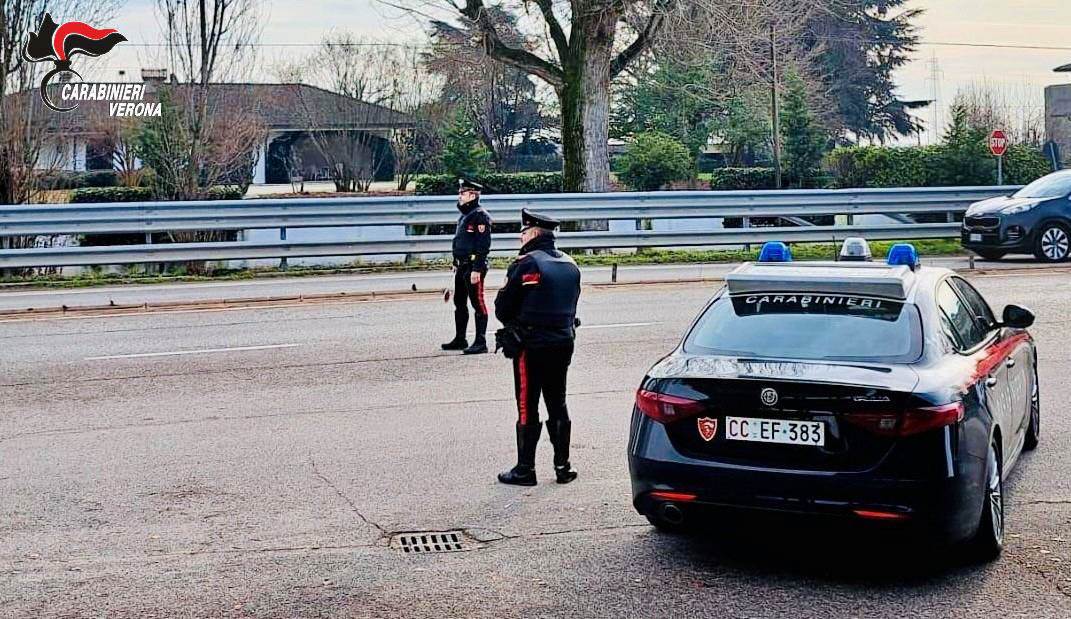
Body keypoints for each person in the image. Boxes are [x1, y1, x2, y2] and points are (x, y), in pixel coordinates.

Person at [494, 208, 581, 486]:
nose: (521, 237)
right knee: (558, 401)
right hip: (563, 342)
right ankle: (563, 466)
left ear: (531, 233)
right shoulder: (571, 263)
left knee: (526, 404)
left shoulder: (526, 263)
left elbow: (503, 309)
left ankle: (525, 469)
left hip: (531, 345)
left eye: (522, 232)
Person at [442, 179, 492, 355]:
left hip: (473, 267)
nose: (459, 195)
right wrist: (456, 263)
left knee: (477, 303)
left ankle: (481, 342)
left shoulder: (480, 216)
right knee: (459, 302)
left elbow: (483, 246)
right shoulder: (465, 214)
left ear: (473, 195)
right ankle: (460, 338)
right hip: (462, 265)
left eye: (463, 193)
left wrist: (477, 269)